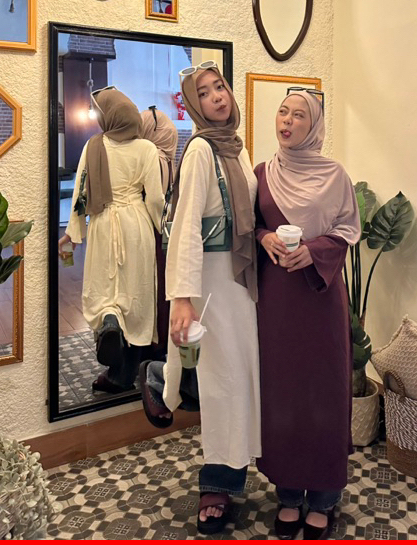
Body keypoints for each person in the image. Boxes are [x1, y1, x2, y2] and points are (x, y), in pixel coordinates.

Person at [137, 61, 260, 535]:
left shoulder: (238, 149)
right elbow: (186, 226)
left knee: (236, 378)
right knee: (221, 383)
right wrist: (183, 298)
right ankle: (217, 485)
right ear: (193, 105)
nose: (216, 97)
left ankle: (162, 378)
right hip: (211, 281)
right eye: (204, 93)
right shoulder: (202, 150)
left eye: (220, 87)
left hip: (241, 283)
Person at [254, 89, 361, 540]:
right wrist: (264, 238)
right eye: (283, 112)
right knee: (282, 392)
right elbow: (252, 225)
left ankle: (323, 497)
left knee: (323, 392)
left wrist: (313, 251)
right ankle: (288, 491)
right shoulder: (262, 173)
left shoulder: (335, 175)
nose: (288, 121)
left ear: (314, 125)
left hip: (319, 297)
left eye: (299, 115)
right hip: (277, 300)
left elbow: (347, 229)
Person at [58, 87, 164, 394]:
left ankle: (109, 321)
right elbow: (155, 198)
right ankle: (125, 371)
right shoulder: (147, 149)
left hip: (103, 223)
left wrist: (73, 233)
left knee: (106, 288)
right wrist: (162, 228)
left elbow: (81, 193)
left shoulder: (93, 145)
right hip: (137, 223)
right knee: (136, 293)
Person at [139, 105, 178, 356]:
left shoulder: (149, 157)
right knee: (160, 287)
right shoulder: (162, 159)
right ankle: (159, 343)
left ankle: (148, 344)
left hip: (146, 230)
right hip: (160, 231)